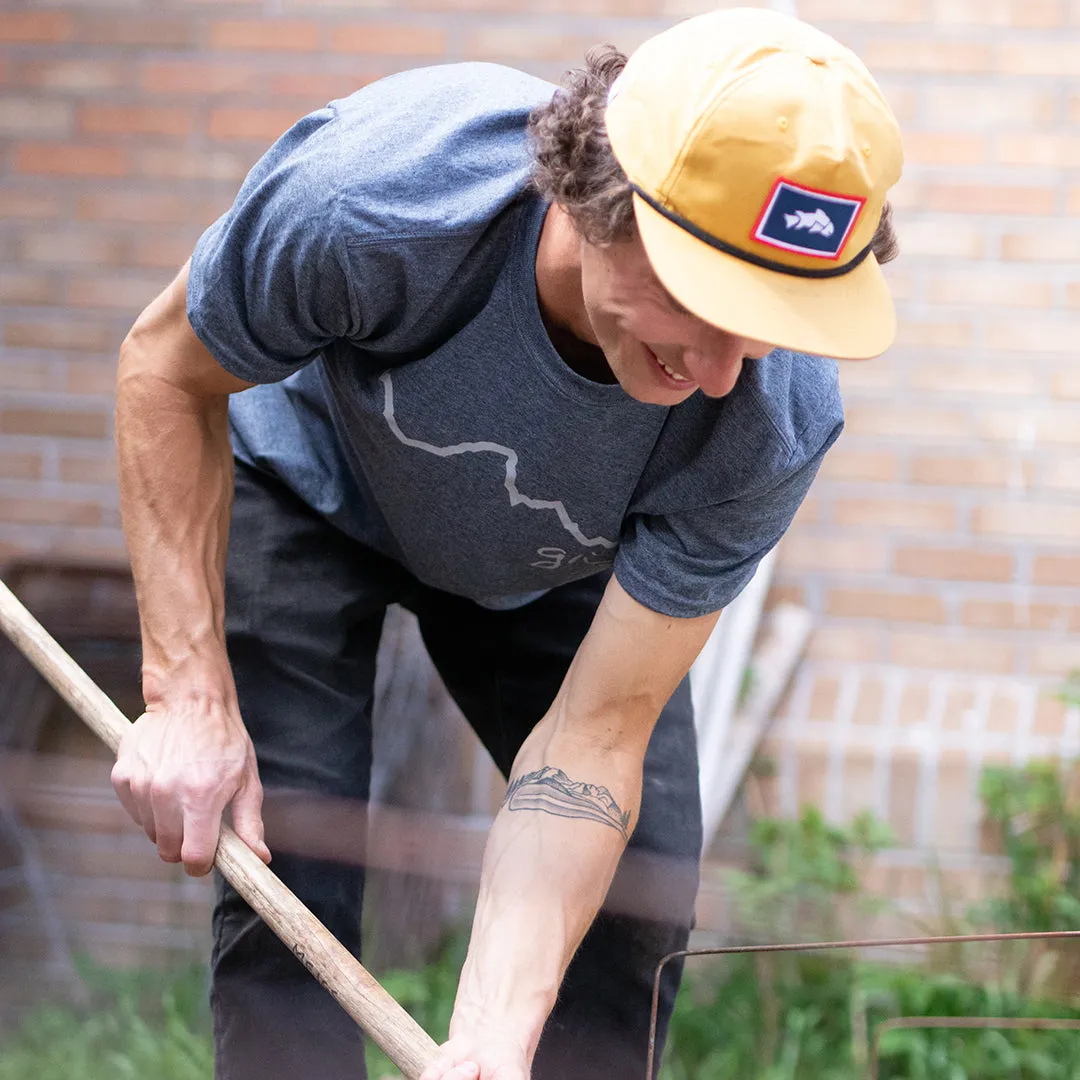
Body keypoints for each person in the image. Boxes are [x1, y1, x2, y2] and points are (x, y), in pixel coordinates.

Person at [110, 6, 903, 1079]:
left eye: (767, 323)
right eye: (705, 304)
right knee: (288, 870)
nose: (723, 373)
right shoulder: (377, 198)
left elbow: (592, 743)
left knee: (638, 894)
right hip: (307, 493)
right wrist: (187, 695)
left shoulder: (772, 417)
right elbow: (165, 371)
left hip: (552, 564)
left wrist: (490, 1038)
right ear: (599, 193)